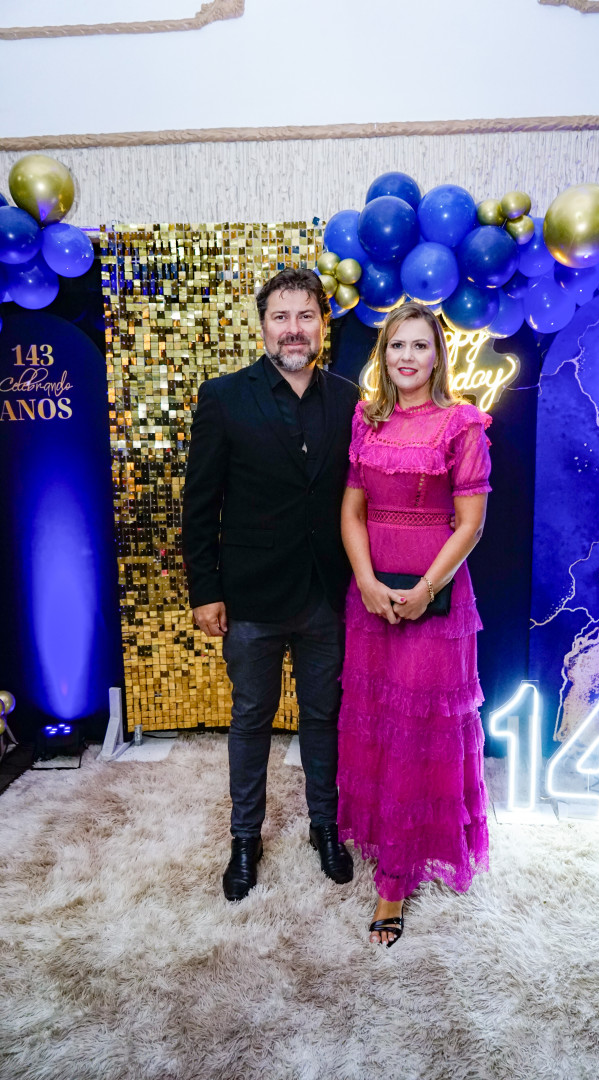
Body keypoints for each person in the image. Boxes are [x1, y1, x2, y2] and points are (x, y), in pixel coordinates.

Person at [182, 268, 359, 902]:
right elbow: (199, 504)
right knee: (251, 718)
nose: (293, 329)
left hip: (325, 593)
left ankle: (324, 827)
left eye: (305, 316)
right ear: (262, 327)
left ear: (322, 325)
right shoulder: (224, 397)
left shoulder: (350, 400)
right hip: (250, 596)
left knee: (323, 717)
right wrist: (205, 590)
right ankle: (244, 839)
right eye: (281, 317)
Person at [338, 301, 492, 946]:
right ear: (384, 354)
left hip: (435, 601)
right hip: (371, 598)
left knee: (417, 731)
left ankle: (394, 883)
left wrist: (427, 589)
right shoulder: (366, 420)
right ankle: (385, 843)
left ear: (438, 356)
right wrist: (366, 581)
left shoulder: (462, 424)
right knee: (378, 725)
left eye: (420, 346)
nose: (407, 356)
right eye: (396, 345)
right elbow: (352, 511)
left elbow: (470, 525)